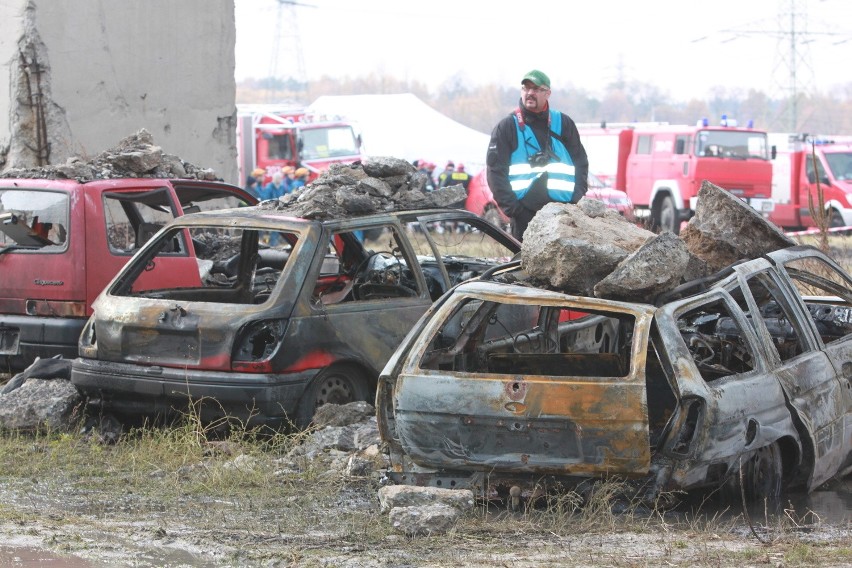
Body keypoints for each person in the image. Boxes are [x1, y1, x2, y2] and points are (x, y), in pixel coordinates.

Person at [486, 69, 588, 241]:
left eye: (536, 89)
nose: (530, 93)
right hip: (524, 216)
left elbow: (581, 163)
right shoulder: (507, 127)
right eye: (526, 88)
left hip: (563, 213)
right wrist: (515, 210)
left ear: (547, 93)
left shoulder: (564, 123)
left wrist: (575, 200)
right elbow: (495, 173)